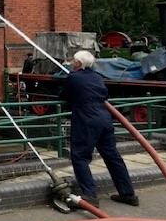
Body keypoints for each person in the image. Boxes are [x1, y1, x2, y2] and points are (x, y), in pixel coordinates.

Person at [59, 50, 139, 207]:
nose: (71, 63)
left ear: (79, 64)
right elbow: (104, 94)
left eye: (73, 61)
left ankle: (90, 195)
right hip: (104, 120)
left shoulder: (73, 77)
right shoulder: (98, 77)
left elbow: (63, 96)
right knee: (112, 157)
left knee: (80, 156)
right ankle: (128, 194)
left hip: (86, 121)